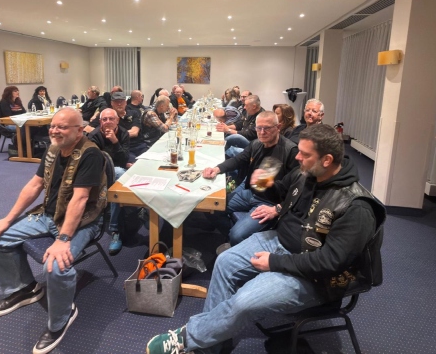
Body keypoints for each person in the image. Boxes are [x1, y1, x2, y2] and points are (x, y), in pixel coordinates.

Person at [146, 124, 386, 354]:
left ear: (327, 160)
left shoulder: (356, 207)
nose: (297, 157)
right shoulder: (307, 174)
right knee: (224, 262)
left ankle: (188, 337)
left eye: (305, 154)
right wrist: (266, 185)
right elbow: (282, 193)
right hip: (279, 241)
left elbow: (330, 262)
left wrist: (274, 262)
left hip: (315, 275)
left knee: (244, 302)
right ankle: (211, 346)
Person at [0, 108, 106, 354]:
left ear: (79, 131)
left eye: (62, 127)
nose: (54, 131)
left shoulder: (91, 154)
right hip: (48, 215)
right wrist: (8, 219)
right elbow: (35, 184)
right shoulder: (53, 150)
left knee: (56, 266)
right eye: (53, 126)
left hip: (82, 221)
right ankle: (23, 288)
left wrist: (63, 239)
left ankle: (62, 317)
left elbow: (80, 199)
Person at [203, 111, 298, 246]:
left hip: (270, 202)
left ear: (278, 127)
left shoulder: (291, 151)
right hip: (251, 193)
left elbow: (296, 188)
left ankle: (236, 240)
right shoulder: (256, 144)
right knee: (211, 208)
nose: (262, 132)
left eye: (267, 128)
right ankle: (234, 241)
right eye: (259, 128)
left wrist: (277, 208)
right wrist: (217, 169)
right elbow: (238, 160)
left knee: (237, 235)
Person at [86, 108, 130, 255]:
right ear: (100, 122)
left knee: (121, 175)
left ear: (117, 120)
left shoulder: (123, 133)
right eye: (104, 119)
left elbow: (124, 159)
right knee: (120, 175)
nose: (108, 122)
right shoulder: (94, 136)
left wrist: (115, 141)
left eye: (111, 119)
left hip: (118, 169)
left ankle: (129, 215)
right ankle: (115, 228)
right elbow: (95, 163)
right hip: (99, 172)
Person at [85, 91, 145, 161]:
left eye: (121, 101)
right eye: (116, 102)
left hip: (139, 145)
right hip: (123, 148)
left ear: (125, 102)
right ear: (112, 103)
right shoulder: (106, 116)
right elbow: (87, 128)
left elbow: (134, 132)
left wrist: (116, 133)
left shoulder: (133, 113)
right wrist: (103, 133)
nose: (119, 104)